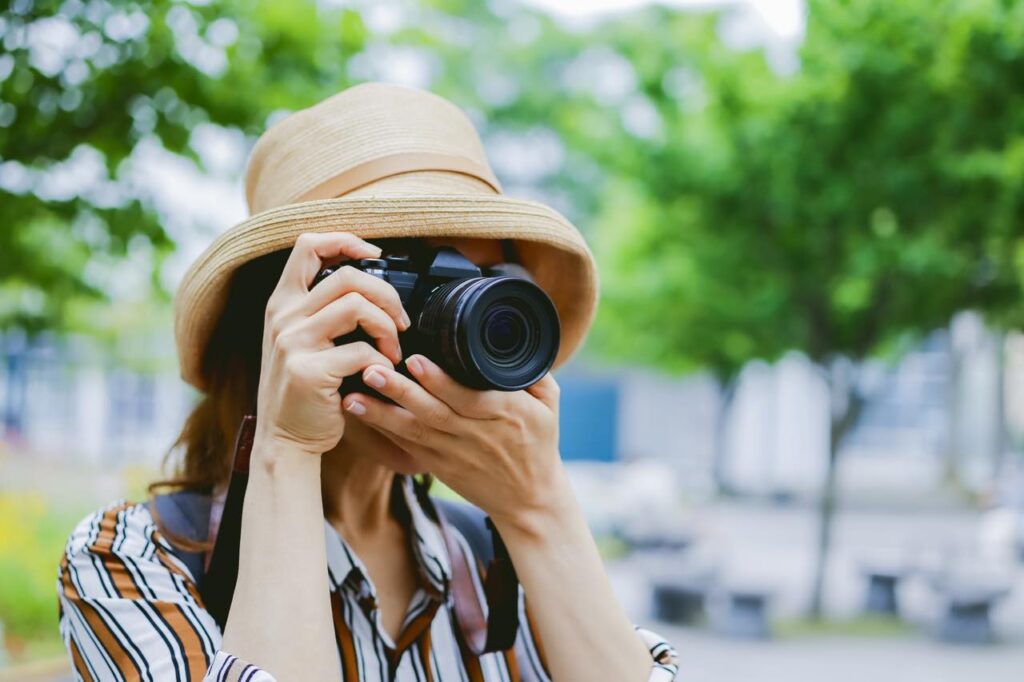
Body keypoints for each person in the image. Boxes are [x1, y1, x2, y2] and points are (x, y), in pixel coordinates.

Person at [56, 83, 679, 681]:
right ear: (276, 318)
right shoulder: (134, 559)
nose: (456, 324)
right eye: (411, 277)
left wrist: (538, 507)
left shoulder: (495, 562)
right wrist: (287, 449)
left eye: (485, 283)